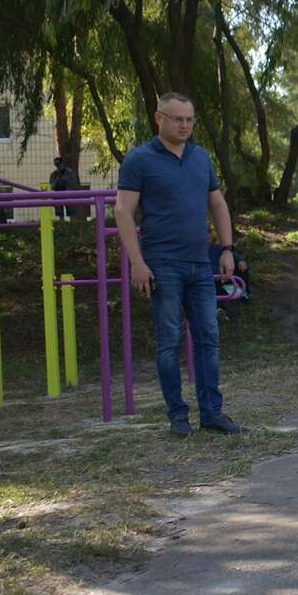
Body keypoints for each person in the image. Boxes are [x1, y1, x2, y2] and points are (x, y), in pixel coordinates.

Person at [117, 92, 243, 436]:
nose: (185, 125)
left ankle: (212, 413)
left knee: (208, 338)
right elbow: (123, 211)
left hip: (200, 263)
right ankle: (178, 416)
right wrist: (136, 262)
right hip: (162, 264)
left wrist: (227, 249)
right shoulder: (139, 160)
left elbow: (217, 204)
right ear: (159, 118)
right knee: (169, 341)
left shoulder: (200, 158)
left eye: (189, 119)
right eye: (178, 119)